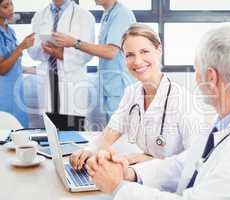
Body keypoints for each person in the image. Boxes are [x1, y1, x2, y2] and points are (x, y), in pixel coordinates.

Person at [85, 24, 230, 200]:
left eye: (195, 68)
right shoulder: (229, 121)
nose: (194, 76)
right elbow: (185, 164)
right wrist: (130, 173)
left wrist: (119, 188)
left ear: (211, 77)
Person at [69, 24, 204, 169]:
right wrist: (88, 151)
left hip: (174, 185)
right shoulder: (131, 93)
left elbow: (197, 161)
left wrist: (150, 160)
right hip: (144, 176)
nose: (137, 61)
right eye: (130, 55)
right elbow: (110, 133)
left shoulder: (183, 101)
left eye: (144, 51)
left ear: (159, 50)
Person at [52, 0, 136, 129]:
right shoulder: (108, 14)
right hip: (111, 86)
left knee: (121, 134)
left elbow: (110, 52)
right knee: (113, 132)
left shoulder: (121, 15)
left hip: (120, 86)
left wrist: (75, 43)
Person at [28, 0, 95, 117]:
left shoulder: (84, 16)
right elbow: (32, 52)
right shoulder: (39, 16)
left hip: (72, 82)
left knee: (72, 128)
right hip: (48, 79)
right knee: (50, 128)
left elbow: (88, 53)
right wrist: (44, 49)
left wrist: (61, 54)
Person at [0, 0, 35, 127]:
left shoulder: (10, 31)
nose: (10, 9)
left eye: (11, 4)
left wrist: (31, 69)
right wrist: (21, 47)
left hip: (16, 94)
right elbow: (2, 69)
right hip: (3, 96)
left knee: (20, 134)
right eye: (5, 6)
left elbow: (12, 62)